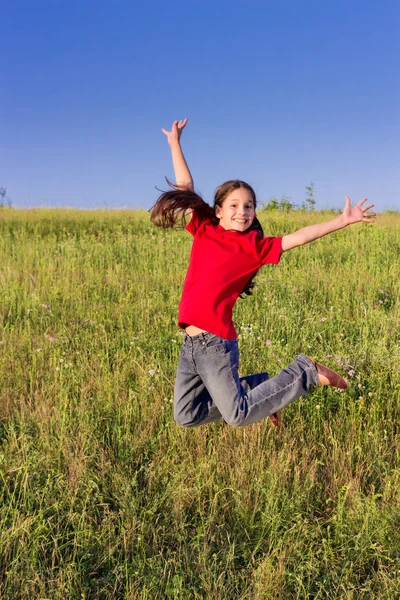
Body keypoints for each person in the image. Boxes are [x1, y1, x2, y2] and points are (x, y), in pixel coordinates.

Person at [150, 118, 375, 428]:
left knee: (238, 415)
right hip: (191, 343)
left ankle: (305, 372)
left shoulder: (254, 246)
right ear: (218, 210)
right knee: (186, 415)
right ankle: (259, 389)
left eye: (249, 206)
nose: (242, 212)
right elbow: (185, 190)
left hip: (215, 342)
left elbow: (298, 236)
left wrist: (340, 221)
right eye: (234, 205)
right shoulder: (204, 228)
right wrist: (175, 144)